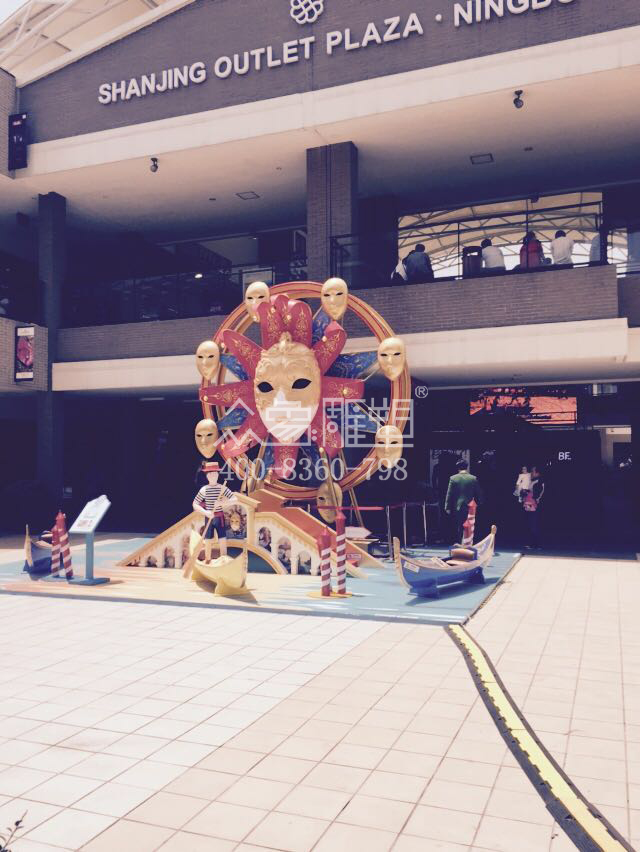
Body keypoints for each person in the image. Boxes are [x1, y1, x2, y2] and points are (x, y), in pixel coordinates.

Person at [192, 461, 236, 563]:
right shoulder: (204, 489)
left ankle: (224, 558)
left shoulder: (222, 488)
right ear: (207, 476)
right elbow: (195, 504)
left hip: (219, 518)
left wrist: (221, 502)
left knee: (222, 538)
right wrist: (206, 512)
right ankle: (207, 559)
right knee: (208, 539)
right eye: (210, 474)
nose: (213, 476)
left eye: (215, 473)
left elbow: (234, 499)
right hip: (209, 517)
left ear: (217, 474)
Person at [445, 459, 483, 543]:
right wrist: (480, 502)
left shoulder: (453, 478)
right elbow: (479, 492)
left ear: (458, 468)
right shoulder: (473, 478)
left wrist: (447, 507)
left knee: (459, 525)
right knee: (470, 524)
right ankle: (468, 542)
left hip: (458, 506)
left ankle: (460, 542)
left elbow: (449, 493)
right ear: (467, 467)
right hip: (470, 506)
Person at [523, 465, 545, 549]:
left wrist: (528, 493)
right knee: (530, 524)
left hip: (535, 506)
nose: (531, 473)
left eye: (533, 471)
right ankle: (531, 543)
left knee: (534, 525)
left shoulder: (539, 482)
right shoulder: (531, 481)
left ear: (537, 473)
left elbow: (538, 494)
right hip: (528, 506)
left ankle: (537, 544)